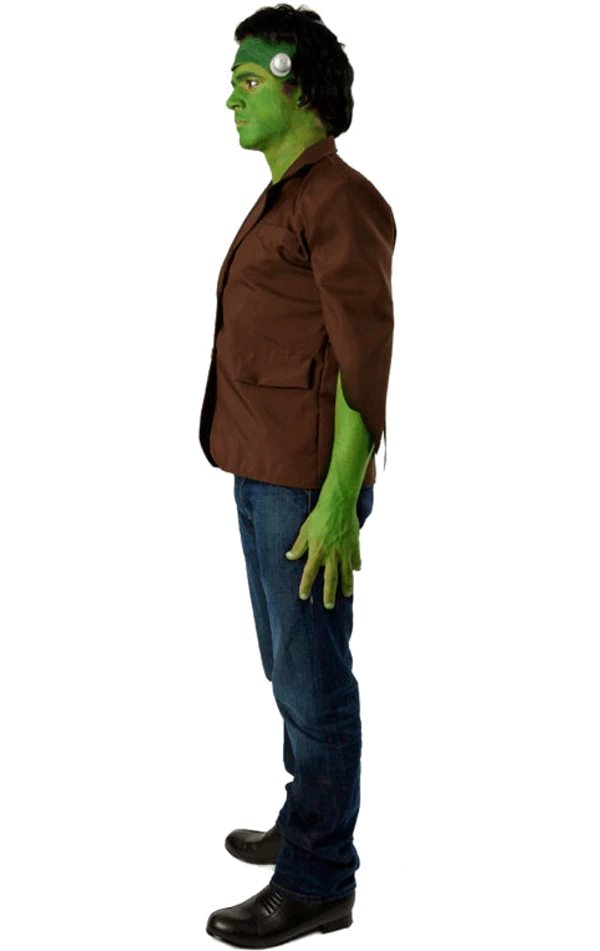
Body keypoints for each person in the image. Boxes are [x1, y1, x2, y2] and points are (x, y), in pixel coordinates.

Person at [202, 5, 397, 947]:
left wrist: (336, 505)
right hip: (262, 463)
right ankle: (306, 813)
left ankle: (319, 878)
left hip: (304, 484)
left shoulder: (338, 198)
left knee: (313, 676)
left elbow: (365, 360)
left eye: (250, 81)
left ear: (301, 89)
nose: (233, 98)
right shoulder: (286, 195)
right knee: (288, 662)